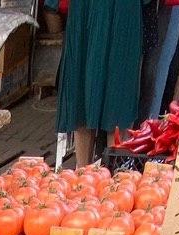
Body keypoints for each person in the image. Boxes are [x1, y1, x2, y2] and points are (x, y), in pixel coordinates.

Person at [55, 0, 144, 166]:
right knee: (114, 86)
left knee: (85, 84)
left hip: (95, 11)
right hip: (112, 12)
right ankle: (110, 175)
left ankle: (87, 173)